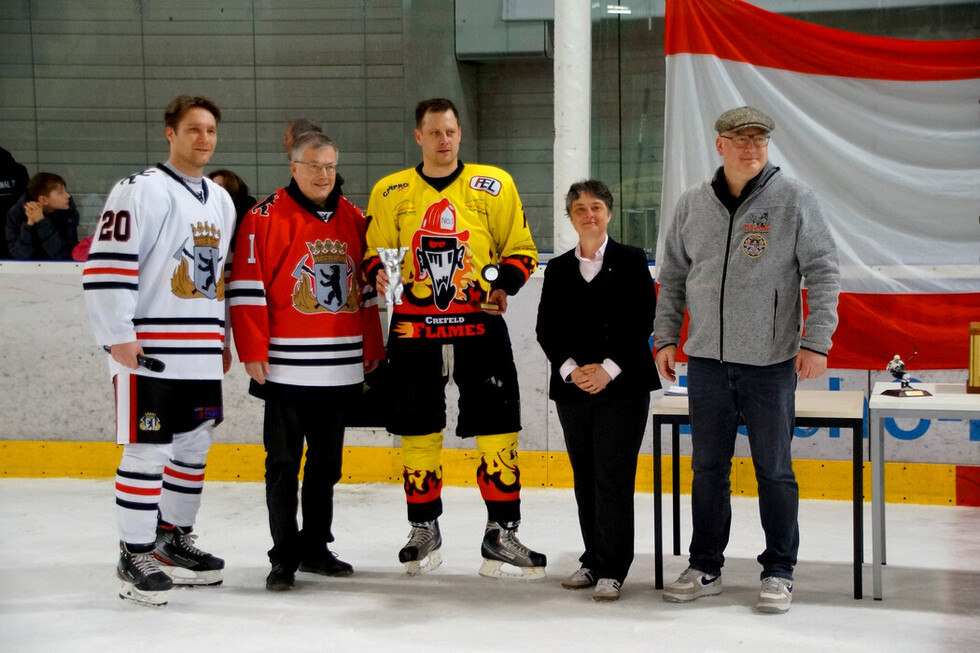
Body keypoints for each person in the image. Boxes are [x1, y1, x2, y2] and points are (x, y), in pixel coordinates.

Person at [654, 106, 840, 614]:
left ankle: (779, 570)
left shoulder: (795, 199)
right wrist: (665, 337)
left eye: (759, 139)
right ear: (720, 145)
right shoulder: (694, 203)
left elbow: (823, 272)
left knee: (774, 470)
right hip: (708, 362)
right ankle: (705, 565)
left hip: (770, 362)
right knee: (707, 469)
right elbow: (672, 277)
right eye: (741, 139)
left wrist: (816, 341)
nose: (752, 147)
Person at [363, 97, 545, 580]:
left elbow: (521, 250)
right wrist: (376, 274)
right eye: (434, 133)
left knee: (498, 425)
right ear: (418, 137)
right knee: (417, 429)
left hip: (479, 328)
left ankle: (501, 532)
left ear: (459, 134)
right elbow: (372, 252)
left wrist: (504, 283)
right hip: (411, 331)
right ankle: (424, 527)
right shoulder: (390, 190)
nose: (445, 141)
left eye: (451, 132)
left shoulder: (494, 183)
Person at [82, 95, 237, 607]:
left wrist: (222, 336)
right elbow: (108, 264)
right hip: (149, 348)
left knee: (193, 448)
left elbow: (218, 280)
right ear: (169, 133)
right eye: (193, 129)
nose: (204, 139)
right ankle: (135, 550)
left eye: (210, 130)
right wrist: (117, 333)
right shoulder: (139, 190)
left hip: (198, 347)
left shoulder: (220, 200)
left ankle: (173, 539)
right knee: (148, 449)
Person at [228, 131, 384, 592]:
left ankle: (315, 545)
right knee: (282, 464)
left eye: (330, 166)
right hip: (285, 368)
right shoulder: (262, 217)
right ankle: (284, 555)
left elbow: (367, 290)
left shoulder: (355, 217)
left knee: (326, 466)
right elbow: (245, 286)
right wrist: (253, 349)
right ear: (294, 167)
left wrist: (371, 347)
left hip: (338, 366)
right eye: (314, 165)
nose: (323, 174)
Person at [535, 179, 659, 602]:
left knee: (613, 476)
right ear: (571, 217)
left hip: (622, 387)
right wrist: (572, 371)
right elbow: (546, 328)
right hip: (574, 389)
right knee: (585, 476)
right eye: (580, 209)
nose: (589, 214)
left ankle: (614, 568)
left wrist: (607, 370)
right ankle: (593, 558)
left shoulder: (630, 260)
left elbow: (642, 320)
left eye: (596, 207)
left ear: (609, 212)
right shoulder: (557, 268)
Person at [5, 172, 79, 260]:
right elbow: (19, 255)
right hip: (27, 269)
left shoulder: (68, 212)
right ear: (43, 200)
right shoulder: (17, 213)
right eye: (60, 193)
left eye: (65, 191)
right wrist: (29, 225)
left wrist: (42, 221)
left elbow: (65, 254)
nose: (67, 196)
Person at [208, 168, 256, 246]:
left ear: (231, 185)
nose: (215, 190)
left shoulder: (246, 203)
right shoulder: (210, 206)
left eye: (219, 186)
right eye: (212, 187)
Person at [0, 146, 29, 258]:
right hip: (15, 235)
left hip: (15, 233)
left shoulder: (17, 171)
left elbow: (26, 201)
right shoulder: (18, 170)